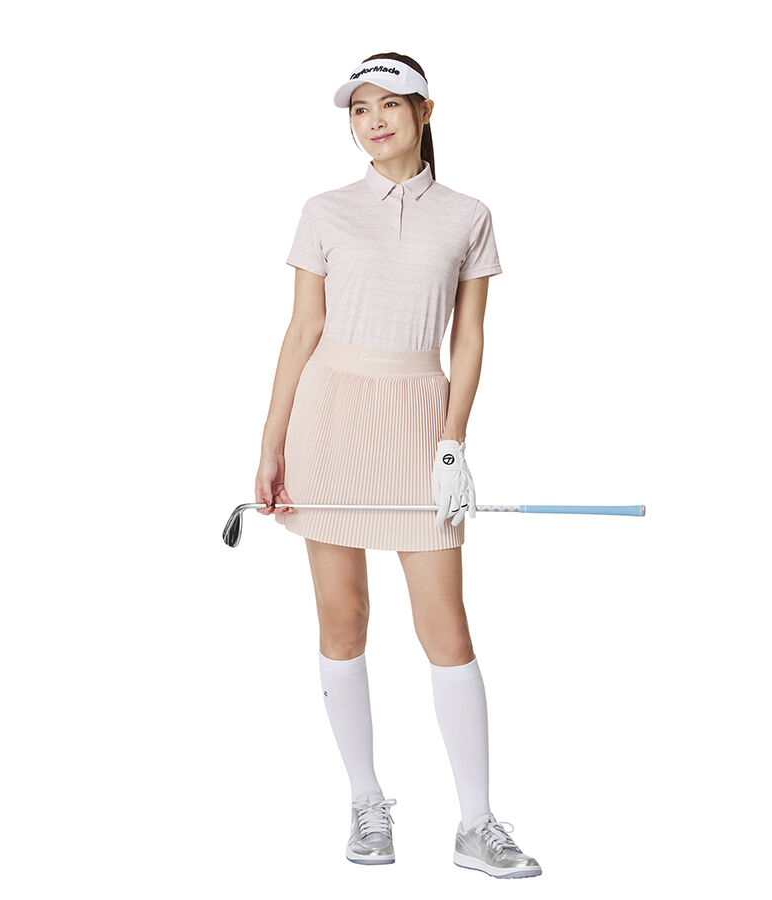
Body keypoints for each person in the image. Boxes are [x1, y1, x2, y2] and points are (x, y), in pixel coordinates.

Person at [254, 52, 541, 879]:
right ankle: (365, 802)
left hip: (419, 419)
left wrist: (453, 442)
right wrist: (271, 443)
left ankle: (477, 824)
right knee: (342, 618)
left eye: (389, 104)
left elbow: (469, 337)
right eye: (359, 109)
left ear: (425, 111)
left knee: (446, 626)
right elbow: (301, 331)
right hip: (331, 418)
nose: (372, 120)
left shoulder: (469, 215)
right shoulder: (323, 210)